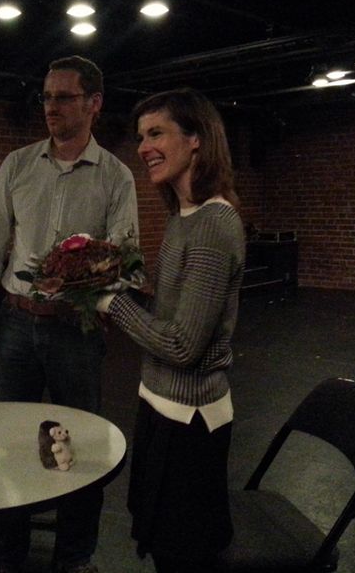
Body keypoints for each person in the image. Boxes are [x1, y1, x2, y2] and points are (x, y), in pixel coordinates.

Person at [0, 55, 139, 573]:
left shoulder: (116, 177)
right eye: (46, 96)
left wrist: (95, 291)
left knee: (79, 449)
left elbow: (124, 258)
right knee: (6, 443)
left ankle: (74, 558)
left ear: (94, 103)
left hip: (74, 332)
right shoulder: (17, 165)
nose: (51, 106)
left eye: (64, 97)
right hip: (15, 324)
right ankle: (7, 553)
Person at [95, 88, 245, 573]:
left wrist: (109, 301)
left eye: (157, 133)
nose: (144, 148)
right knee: (164, 547)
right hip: (161, 404)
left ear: (196, 139)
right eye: (141, 137)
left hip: (190, 420)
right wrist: (127, 287)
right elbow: (170, 312)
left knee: (184, 556)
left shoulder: (213, 225)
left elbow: (182, 345)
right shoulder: (183, 217)